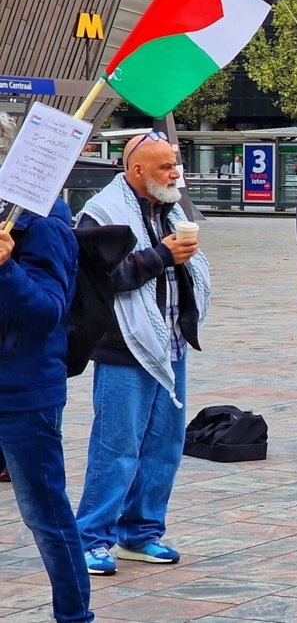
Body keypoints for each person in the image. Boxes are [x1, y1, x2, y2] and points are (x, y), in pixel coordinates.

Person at [75, 131, 212, 576]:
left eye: (175, 165)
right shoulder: (101, 214)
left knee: (164, 445)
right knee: (116, 447)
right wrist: (161, 256)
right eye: (165, 167)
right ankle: (91, 538)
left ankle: (141, 532)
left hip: (169, 343)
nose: (175, 173)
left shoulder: (168, 209)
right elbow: (98, 280)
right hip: (123, 349)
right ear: (136, 171)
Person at [0, 116, 94, 621]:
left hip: (21, 391)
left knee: (44, 513)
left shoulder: (46, 223)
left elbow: (47, 313)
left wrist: (6, 269)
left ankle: (74, 616)